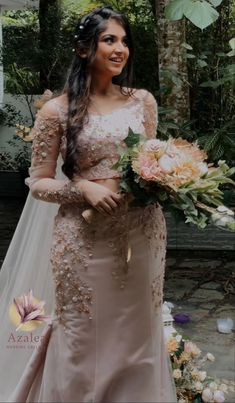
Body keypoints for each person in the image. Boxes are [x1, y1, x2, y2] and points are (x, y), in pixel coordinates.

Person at [0, 6, 177, 402]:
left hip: (141, 231)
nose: (120, 49)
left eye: (124, 41)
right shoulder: (56, 111)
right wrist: (84, 189)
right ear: (84, 49)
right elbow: (38, 182)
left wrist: (166, 178)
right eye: (109, 40)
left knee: (137, 333)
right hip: (82, 239)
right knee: (83, 334)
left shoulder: (143, 102)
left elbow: (147, 162)